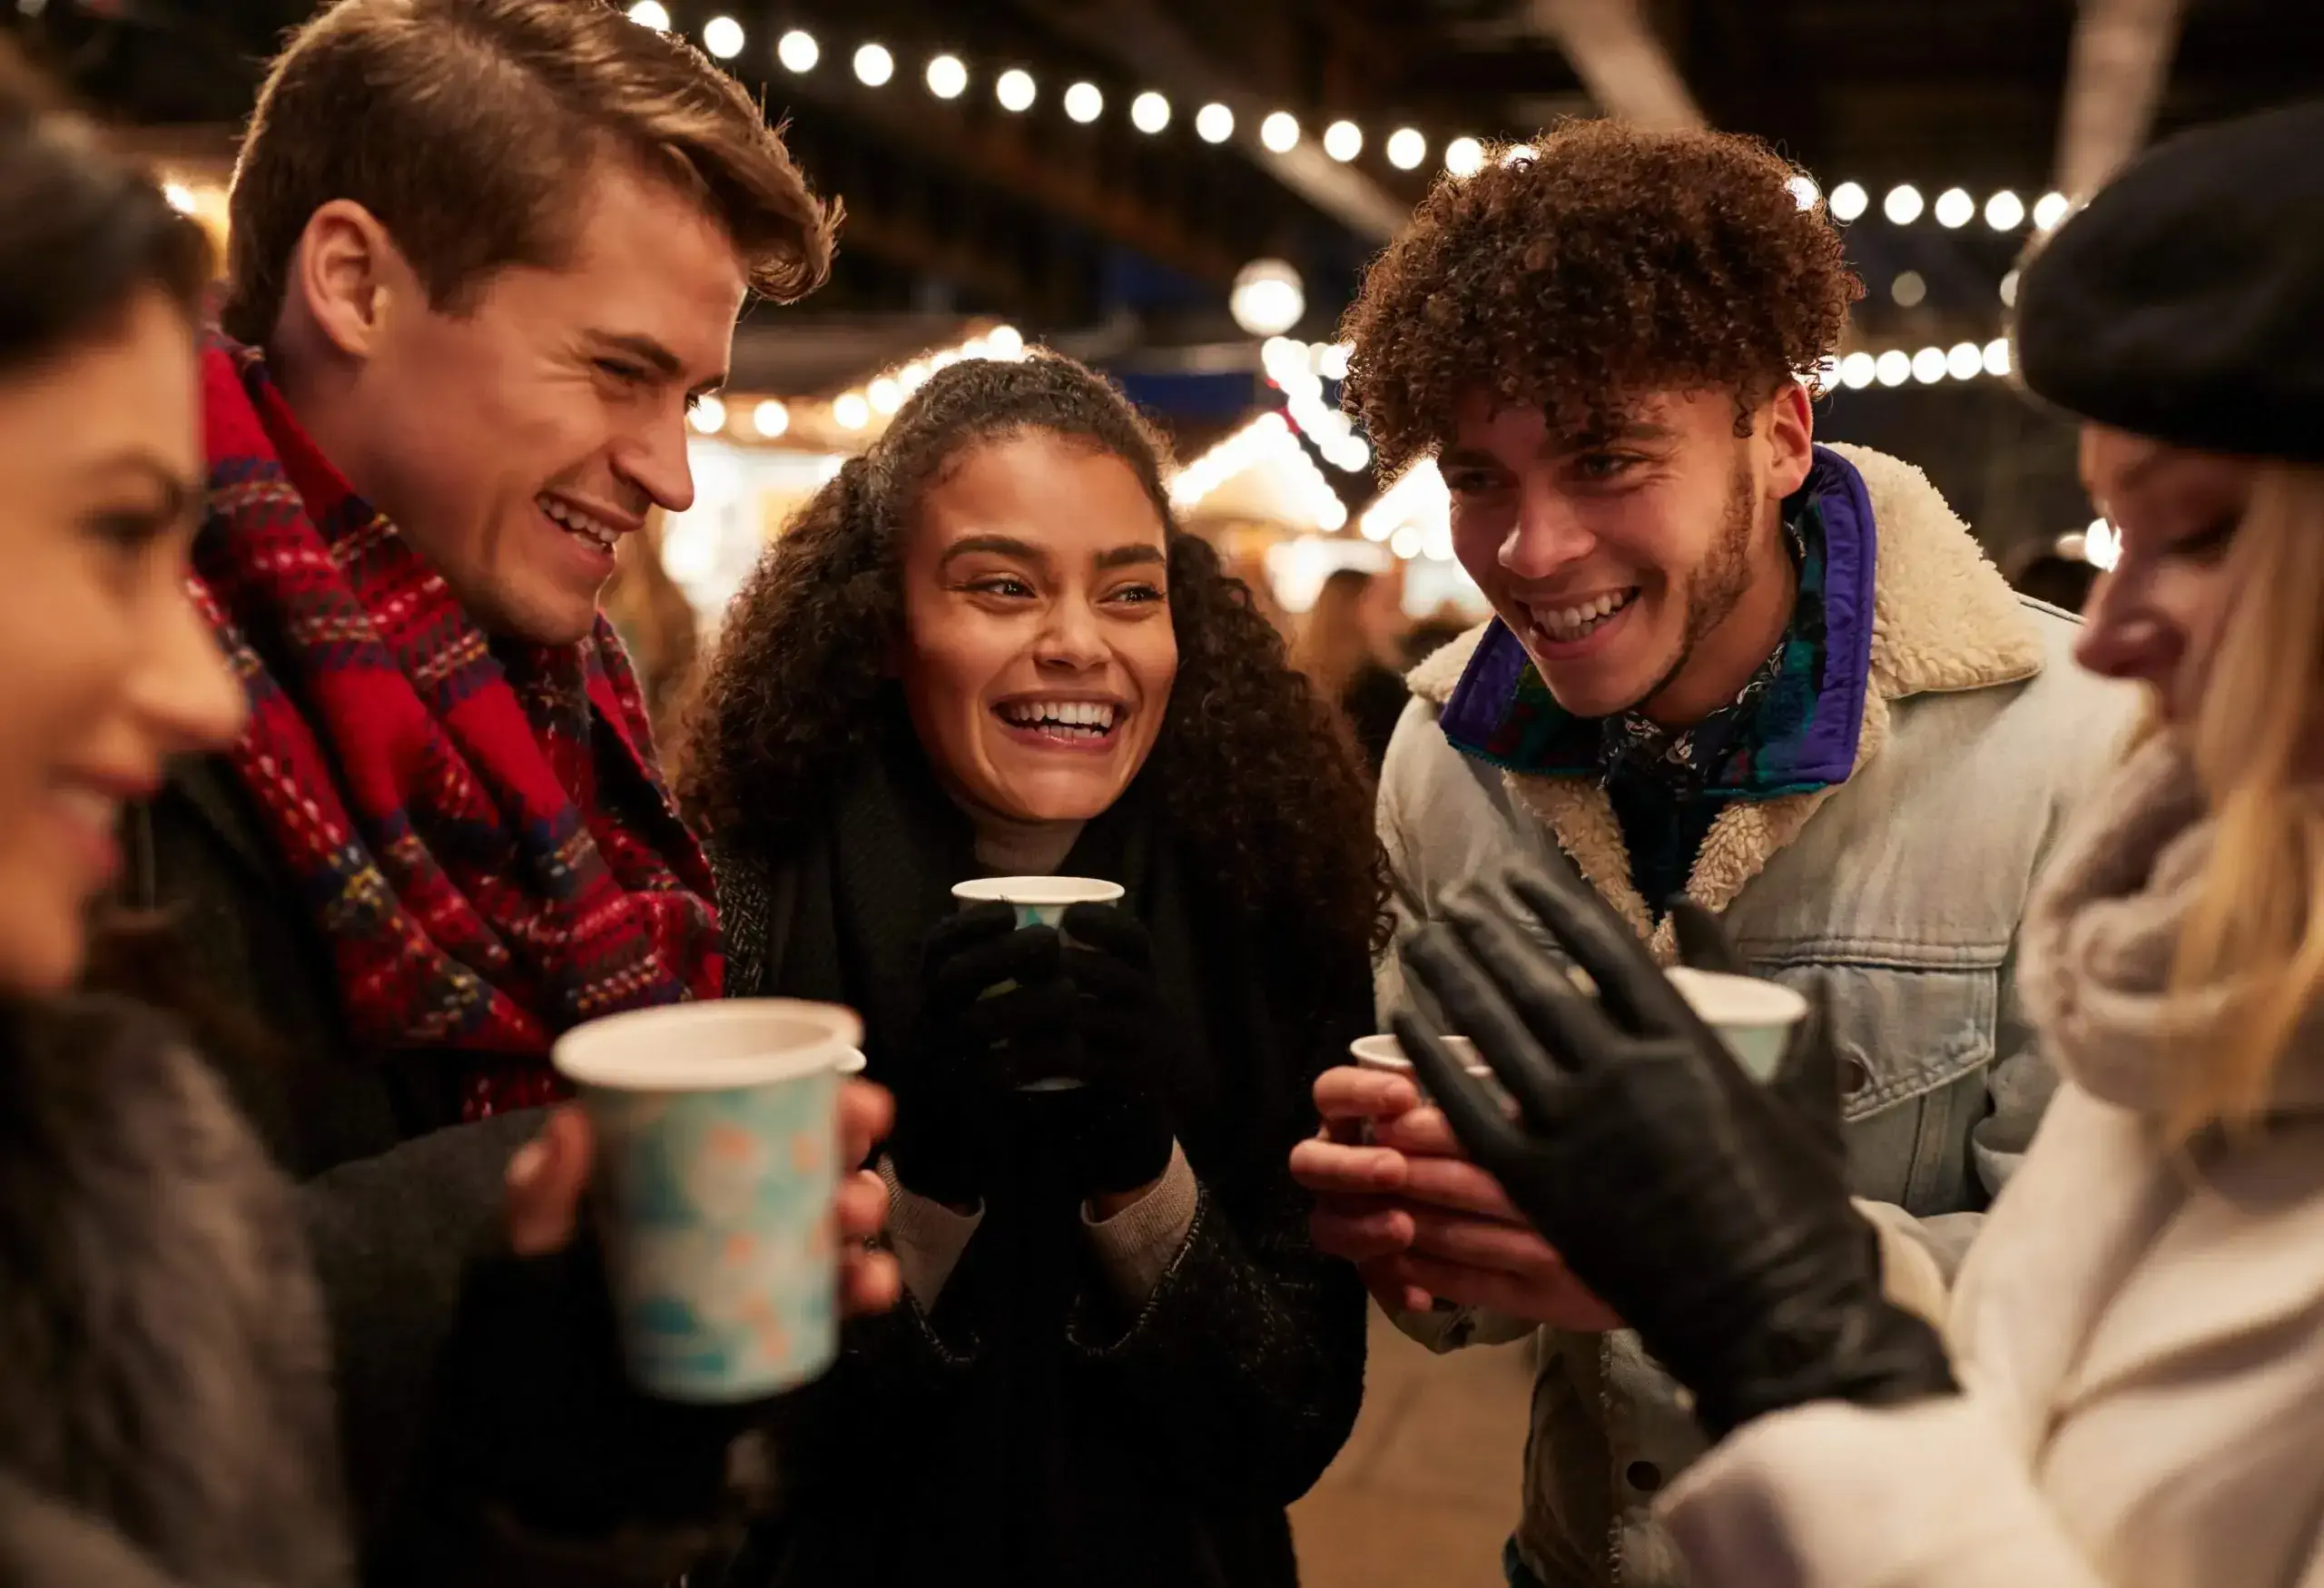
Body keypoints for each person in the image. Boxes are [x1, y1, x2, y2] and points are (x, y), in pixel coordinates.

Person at [1394, 96, 2324, 1588]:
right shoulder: (1444, 752)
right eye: (1475, 476)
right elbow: (2063, 1302)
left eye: (1609, 457)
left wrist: (1778, 1292)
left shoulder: (2081, 748)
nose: (1530, 548)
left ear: (1779, 435)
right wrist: (1429, 1225)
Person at [0, 46, 896, 1588]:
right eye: (618, 371)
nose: (674, 471)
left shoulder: (573, 685)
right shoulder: (81, 712)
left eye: (692, 395)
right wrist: (539, 1203)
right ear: (354, 282)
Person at [682, 351, 1376, 1588]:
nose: (1075, 644)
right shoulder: (745, 892)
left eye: (1128, 593)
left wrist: (1138, 1174)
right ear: (886, 622)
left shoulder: (1267, 891)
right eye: (1002, 586)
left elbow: (1289, 1418)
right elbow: (745, 1437)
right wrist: (930, 1183)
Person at [1293, 565, 1413, 775]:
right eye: (1385, 605)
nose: (1397, 614)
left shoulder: (1296, 676)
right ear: (1353, 610)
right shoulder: (1380, 688)